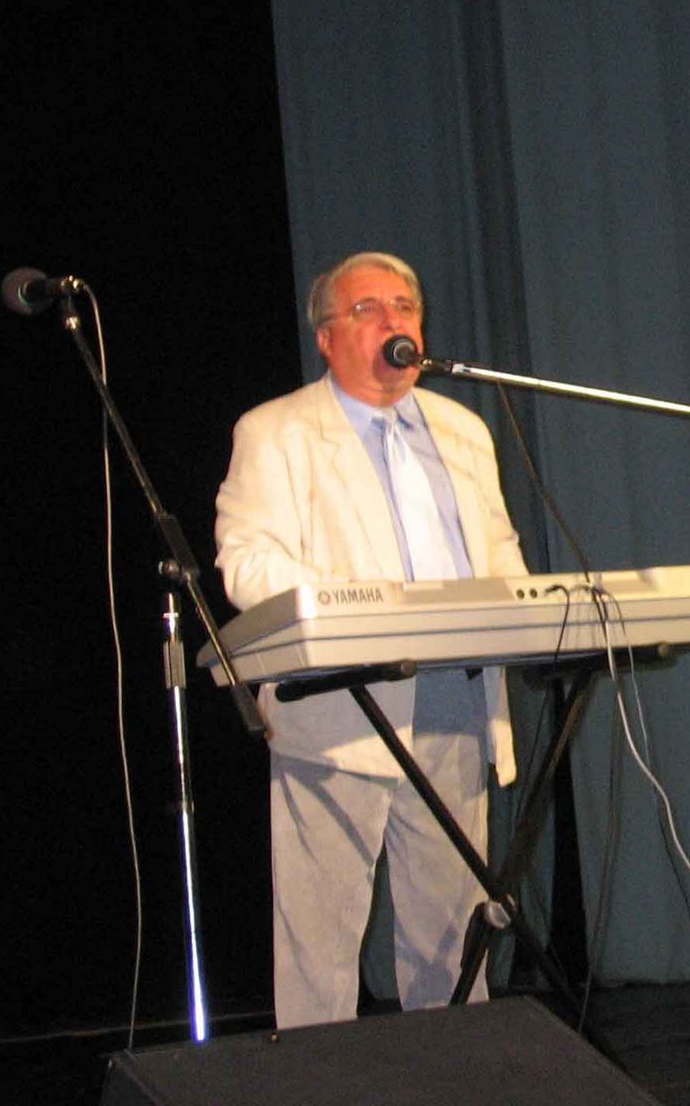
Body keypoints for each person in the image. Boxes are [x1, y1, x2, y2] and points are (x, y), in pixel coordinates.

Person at [215, 251, 531, 1028]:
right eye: (368, 309)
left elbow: (499, 552)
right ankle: (319, 1080)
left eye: (405, 307)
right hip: (337, 709)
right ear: (326, 338)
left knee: (450, 944)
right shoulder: (276, 431)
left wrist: (527, 609)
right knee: (319, 950)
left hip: (456, 702)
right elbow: (246, 563)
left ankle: (453, 1078)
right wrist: (355, 608)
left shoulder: (464, 430)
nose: (394, 321)